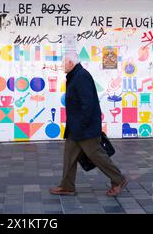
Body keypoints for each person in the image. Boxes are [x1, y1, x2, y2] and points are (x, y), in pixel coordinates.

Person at [50, 52, 128, 197]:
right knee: (69, 156)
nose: (62, 66)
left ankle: (119, 179)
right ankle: (67, 186)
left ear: (71, 63)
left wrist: (82, 126)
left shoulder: (81, 76)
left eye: (63, 63)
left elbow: (88, 104)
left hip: (85, 128)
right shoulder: (75, 75)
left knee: (97, 155)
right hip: (76, 127)